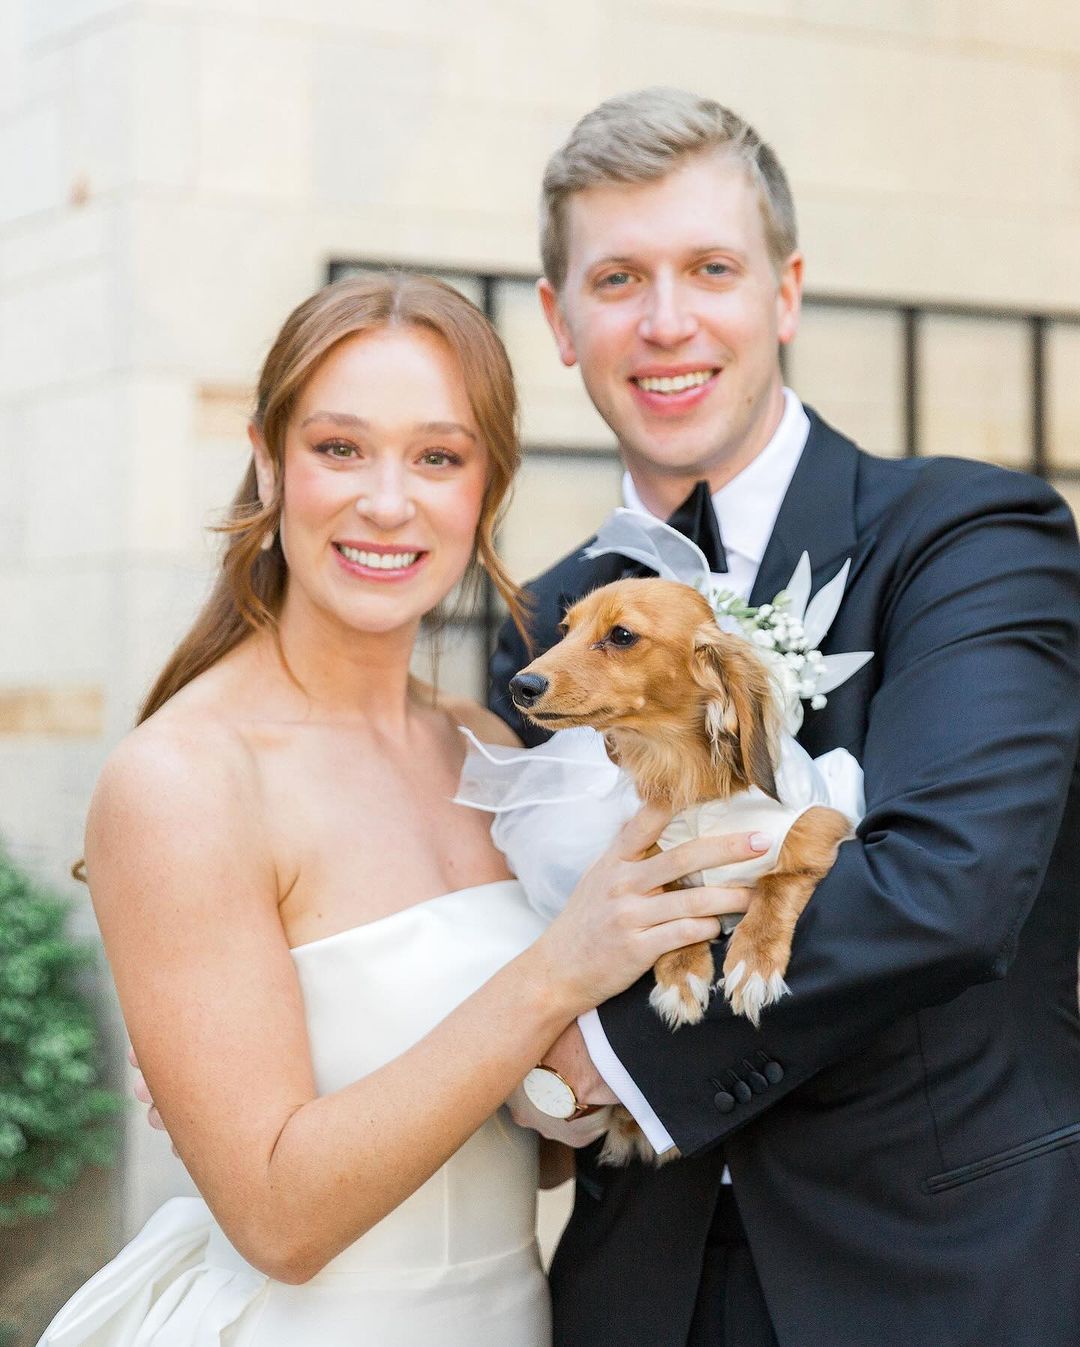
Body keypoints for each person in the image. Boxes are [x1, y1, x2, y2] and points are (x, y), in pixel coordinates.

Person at [36, 273, 763, 1347]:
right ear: (268, 462)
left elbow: (543, 1136)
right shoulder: (185, 779)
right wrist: (560, 968)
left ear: (485, 487)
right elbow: (281, 1220)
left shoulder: (489, 745)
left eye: (438, 456)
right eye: (339, 449)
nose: (389, 501)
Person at [489, 89, 1080, 1347]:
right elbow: (512, 915)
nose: (665, 322)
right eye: (617, 278)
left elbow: (949, 885)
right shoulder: (543, 628)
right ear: (558, 319)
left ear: (785, 294)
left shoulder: (970, 540)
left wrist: (614, 1052)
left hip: (940, 1281)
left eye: (710, 268)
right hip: (631, 1300)